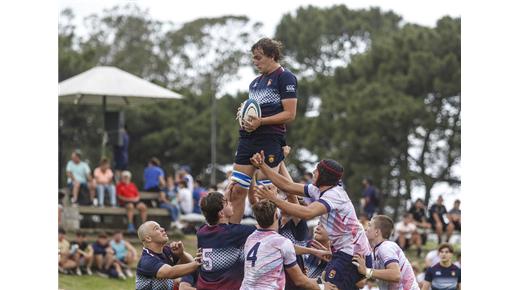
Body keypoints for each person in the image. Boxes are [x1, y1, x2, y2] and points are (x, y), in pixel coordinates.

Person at [251, 152, 371, 290]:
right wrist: (262, 165)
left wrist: (275, 199)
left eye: (316, 170)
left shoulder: (334, 195)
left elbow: (307, 213)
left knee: (329, 287)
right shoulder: (320, 189)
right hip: (344, 252)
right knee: (323, 285)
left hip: (352, 254)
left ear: (324, 176)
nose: (313, 172)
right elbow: (287, 186)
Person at [228, 37, 299, 224]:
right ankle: (232, 242)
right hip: (247, 138)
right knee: (236, 191)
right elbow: (254, 112)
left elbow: (290, 114)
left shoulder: (285, 77)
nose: (255, 61)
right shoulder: (254, 83)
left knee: (265, 194)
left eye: (258, 57)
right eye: (253, 58)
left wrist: (261, 121)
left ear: (272, 56)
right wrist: (244, 118)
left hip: (269, 139)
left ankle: (268, 238)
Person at [240, 200, 333, 290]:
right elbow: (301, 281)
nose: (318, 226)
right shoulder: (283, 243)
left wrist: (314, 251)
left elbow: (282, 247)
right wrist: (323, 287)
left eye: (323, 224)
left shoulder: (251, 238)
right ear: (277, 215)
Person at [195, 191, 257, 289]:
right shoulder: (234, 233)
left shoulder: (201, 232)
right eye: (227, 203)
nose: (231, 203)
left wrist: (224, 197)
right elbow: (263, 226)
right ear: (221, 213)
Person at [353, 215, 420, 290]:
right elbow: (361, 284)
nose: (366, 229)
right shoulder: (374, 252)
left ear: (377, 232)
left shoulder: (386, 247)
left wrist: (366, 271)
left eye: (369, 225)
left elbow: (395, 275)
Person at [136, 221, 201, 290]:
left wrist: (181, 254)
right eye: (156, 228)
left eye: (160, 227)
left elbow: (190, 263)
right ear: (148, 238)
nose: (162, 229)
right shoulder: (146, 260)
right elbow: (171, 273)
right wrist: (198, 263)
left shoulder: (167, 250)